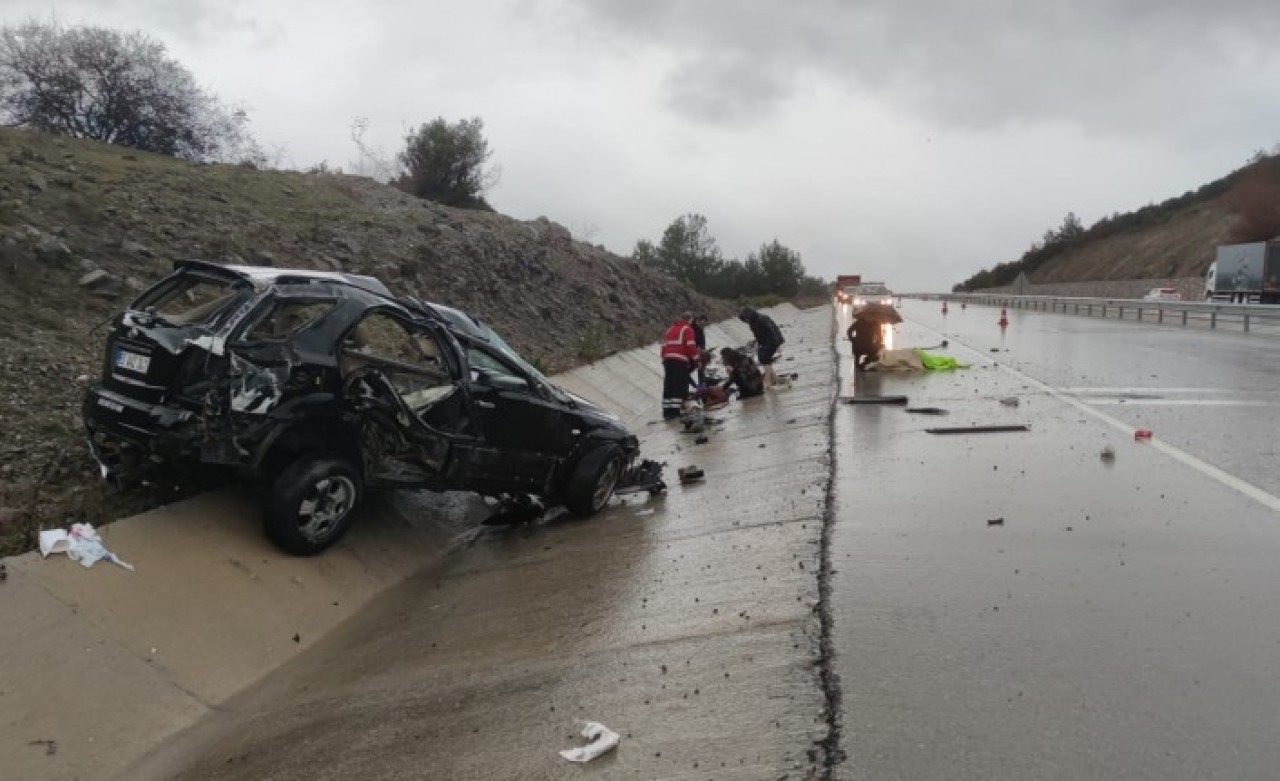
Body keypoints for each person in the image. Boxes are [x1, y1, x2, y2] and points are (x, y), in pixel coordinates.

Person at [660, 311, 700, 420]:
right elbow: (691, 346)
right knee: (679, 386)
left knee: (669, 385)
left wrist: (664, 359)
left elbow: (663, 346)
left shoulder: (670, 329)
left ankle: (667, 412)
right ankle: (675, 412)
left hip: (668, 360)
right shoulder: (688, 329)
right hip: (680, 360)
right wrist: (697, 360)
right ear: (690, 319)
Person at [738, 307, 784, 387]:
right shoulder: (752, 322)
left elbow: (772, 331)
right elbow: (758, 335)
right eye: (744, 320)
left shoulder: (762, 319)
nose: (746, 321)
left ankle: (767, 381)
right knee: (762, 358)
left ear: (749, 315)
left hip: (773, 340)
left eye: (746, 319)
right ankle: (774, 379)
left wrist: (777, 345)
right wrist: (759, 344)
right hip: (765, 342)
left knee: (765, 359)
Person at [691, 314, 709, 385]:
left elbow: (702, 343)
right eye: (702, 323)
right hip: (687, 349)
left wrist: (703, 350)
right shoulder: (690, 327)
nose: (703, 325)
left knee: (701, 364)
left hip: (694, 350)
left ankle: (701, 384)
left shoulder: (700, 330)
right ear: (699, 320)